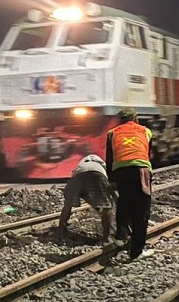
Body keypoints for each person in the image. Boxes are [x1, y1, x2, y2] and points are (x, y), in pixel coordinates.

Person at [106, 108, 153, 260]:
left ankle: (120, 236)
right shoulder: (145, 131)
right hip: (140, 170)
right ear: (135, 118)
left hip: (121, 171)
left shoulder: (112, 133)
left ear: (120, 120)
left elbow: (109, 158)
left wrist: (111, 180)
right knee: (141, 211)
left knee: (124, 203)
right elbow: (146, 153)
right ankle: (137, 252)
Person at [57, 154, 114, 243]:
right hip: (98, 174)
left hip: (77, 176)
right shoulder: (101, 166)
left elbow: (84, 189)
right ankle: (106, 238)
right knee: (107, 206)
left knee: (67, 205)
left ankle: (60, 232)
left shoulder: (82, 164)